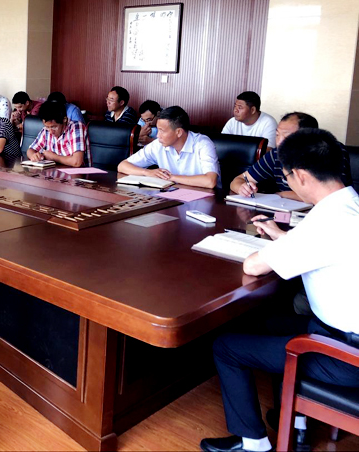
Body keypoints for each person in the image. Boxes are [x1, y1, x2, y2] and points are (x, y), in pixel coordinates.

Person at [200, 128, 359, 452]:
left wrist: (273, 246)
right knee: (267, 324)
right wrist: (279, 235)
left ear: (300, 176)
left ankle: (253, 443)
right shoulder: (349, 204)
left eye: (287, 177)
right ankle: (296, 422)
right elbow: (321, 248)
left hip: (344, 357)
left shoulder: (325, 222)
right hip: (339, 333)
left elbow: (253, 266)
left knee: (225, 347)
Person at [230, 112, 353, 201]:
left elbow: (328, 194)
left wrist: (280, 195)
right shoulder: (276, 154)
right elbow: (238, 180)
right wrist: (242, 188)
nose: (279, 142)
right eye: (277, 135)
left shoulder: (327, 151)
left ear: (308, 136)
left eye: (287, 136)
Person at [118, 106, 220, 188]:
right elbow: (122, 166)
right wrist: (147, 172)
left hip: (207, 200)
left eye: (162, 131)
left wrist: (170, 177)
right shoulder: (158, 144)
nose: (158, 135)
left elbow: (210, 181)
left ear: (178, 132)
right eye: (158, 130)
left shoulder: (203, 144)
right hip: (173, 195)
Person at [27, 100, 91, 167]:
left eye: (54, 127)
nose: (50, 131)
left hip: (79, 172)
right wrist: (34, 156)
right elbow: (30, 150)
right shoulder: (46, 130)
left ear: (64, 119)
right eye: (47, 127)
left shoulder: (76, 127)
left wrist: (53, 157)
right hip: (56, 171)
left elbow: (77, 162)